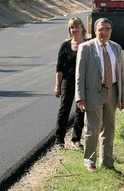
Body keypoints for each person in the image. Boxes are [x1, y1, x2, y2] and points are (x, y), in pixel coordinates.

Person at [75, 17, 124, 172]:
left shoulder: (116, 48)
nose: (104, 32)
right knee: (93, 127)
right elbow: (80, 74)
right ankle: (89, 161)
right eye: (101, 29)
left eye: (107, 29)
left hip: (112, 92)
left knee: (109, 128)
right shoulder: (86, 48)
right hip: (93, 93)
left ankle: (107, 162)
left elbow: (121, 74)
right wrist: (80, 96)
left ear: (111, 31)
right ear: (95, 30)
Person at [54, 17, 87, 149]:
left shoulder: (88, 45)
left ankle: (76, 139)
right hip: (68, 81)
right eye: (72, 27)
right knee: (64, 109)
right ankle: (59, 140)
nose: (74, 30)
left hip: (84, 82)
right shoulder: (65, 46)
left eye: (76, 27)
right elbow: (59, 68)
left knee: (81, 110)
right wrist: (57, 86)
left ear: (82, 28)